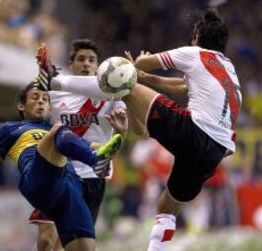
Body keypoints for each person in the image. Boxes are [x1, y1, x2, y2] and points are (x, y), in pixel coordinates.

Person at [36, 9, 241, 251]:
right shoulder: (229, 70)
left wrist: (139, 65)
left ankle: (55, 80)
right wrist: (144, 77)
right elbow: (179, 86)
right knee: (166, 207)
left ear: (196, 36)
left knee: (121, 79)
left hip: (193, 130)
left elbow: (142, 63)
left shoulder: (194, 53)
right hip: (215, 151)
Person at [0, 82, 127, 251]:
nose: (41, 102)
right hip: (37, 181)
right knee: (58, 130)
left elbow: (103, 149)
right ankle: (95, 162)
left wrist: (120, 133)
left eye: (45, 99)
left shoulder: (63, 134)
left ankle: (95, 161)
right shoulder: (11, 129)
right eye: (35, 98)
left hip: (69, 188)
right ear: (21, 105)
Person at [29, 39, 126, 251]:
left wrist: (121, 131)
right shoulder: (54, 93)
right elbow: (35, 114)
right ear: (71, 64)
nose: (86, 64)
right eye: (81, 59)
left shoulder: (111, 97)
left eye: (92, 60)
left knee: (71, 246)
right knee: (46, 240)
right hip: (58, 171)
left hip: (93, 176)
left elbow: (123, 138)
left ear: (99, 67)